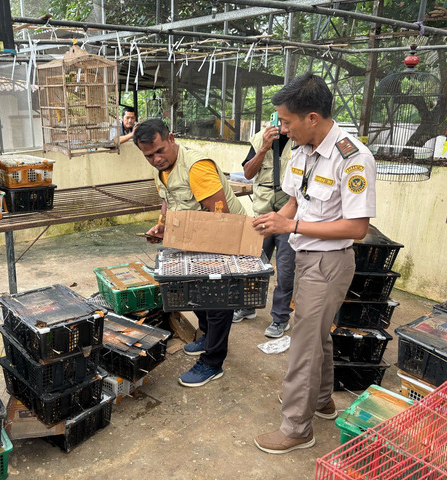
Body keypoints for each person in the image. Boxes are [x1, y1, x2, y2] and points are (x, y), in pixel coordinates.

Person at [251, 73, 376, 454]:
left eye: (286, 121)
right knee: (316, 334)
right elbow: (295, 198)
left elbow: (357, 227)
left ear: (311, 117)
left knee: (304, 342)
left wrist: (292, 225)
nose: (280, 128)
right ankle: (321, 401)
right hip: (305, 255)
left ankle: (296, 428)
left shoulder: (353, 158)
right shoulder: (303, 149)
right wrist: (276, 221)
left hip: (329, 262)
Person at [133, 118, 247, 388]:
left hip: (224, 239)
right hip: (197, 240)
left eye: (160, 151)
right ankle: (207, 338)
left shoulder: (196, 168)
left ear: (171, 138)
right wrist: (162, 227)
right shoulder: (161, 170)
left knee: (218, 300)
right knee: (198, 294)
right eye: (148, 155)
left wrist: (205, 251)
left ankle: (212, 362)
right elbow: (167, 202)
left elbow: (222, 217)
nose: (156, 159)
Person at [231, 128, 296, 339]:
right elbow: (248, 173)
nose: (282, 122)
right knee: (253, 265)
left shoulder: (301, 138)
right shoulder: (261, 137)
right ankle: (248, 306)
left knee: (285, 271)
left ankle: (280, 318)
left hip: (289, 216)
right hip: (262, 213)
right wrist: (263, 148)